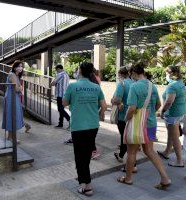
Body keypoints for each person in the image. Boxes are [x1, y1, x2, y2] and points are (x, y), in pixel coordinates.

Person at [117, 63, 171, 190]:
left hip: (137, 124)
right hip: (151, 123)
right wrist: (149, 112)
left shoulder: (135, 87)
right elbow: (158, 104)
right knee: (150, 151)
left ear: (134, 73)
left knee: (131, 152)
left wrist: (126, 119)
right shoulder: (152, 85)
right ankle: (165, 178)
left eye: (131, 75)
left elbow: (131, 108)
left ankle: (128, 178)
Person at [63, 62, 107, 196]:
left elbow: (64, 103)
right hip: (93, 126)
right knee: (87, 154)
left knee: (79, 156)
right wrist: (97, 115)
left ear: (80, 71)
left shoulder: (73, 86)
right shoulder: (96, 87)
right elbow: (104, 106)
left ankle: (87, 185)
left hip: (78, 126)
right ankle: (85, 181)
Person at [158, 66, 186, 167]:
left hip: (173, 114)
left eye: (166, 73)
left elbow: (169, 101)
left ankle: (179, 161)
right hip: (179, 112)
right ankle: (166, 152)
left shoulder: (172, 86)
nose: (166, 75)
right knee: (171, 134)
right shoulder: (180, 83)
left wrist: (162, 111)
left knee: (175, 137)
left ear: (170, 74)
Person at [111, 67, 134, 165]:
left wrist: (112, 101)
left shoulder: (122, 84)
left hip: (122, 114)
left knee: (124, 137)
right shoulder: (134, 83)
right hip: (133, 113)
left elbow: (117, 100)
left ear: (120, 74)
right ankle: (121, 155)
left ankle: (129, 161)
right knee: (127, 136)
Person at [2, 60, 25, 143]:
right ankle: (12, 138)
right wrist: (21, 88)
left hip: (14, 97)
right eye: (19, 66)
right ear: (15, 67)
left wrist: (20, 88)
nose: (21, 68)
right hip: (11, 98)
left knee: (12, 115)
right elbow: (16, 88)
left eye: (21, 66)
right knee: (13, 116)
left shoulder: (15, 75)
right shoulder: (12, 75)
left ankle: (10, 137)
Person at [51, 64, 70, 129]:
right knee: (61, 109)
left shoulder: (60, 74)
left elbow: (53, 83)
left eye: (56, 70)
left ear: (58, 69)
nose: (56, 71)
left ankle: (69, 119)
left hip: (60, 95)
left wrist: (53, 82)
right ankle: (60, 123)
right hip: (65, 95)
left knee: (60, 109)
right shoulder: (66, 75)